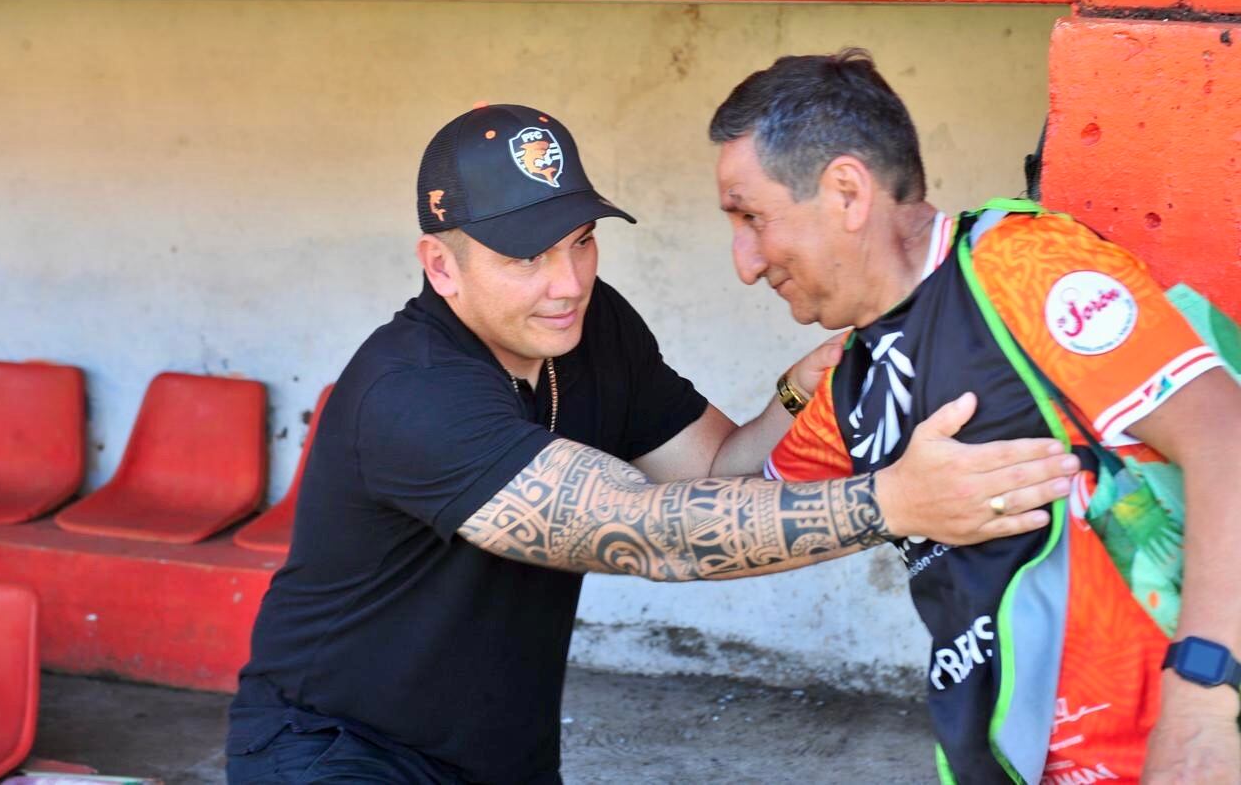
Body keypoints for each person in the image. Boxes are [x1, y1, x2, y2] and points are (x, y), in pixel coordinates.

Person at [225, 103, 1080, 784]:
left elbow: (712, 469)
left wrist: (803, 386)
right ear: (442, 268)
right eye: (526, 258)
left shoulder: (591, 330)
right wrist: (892, 502)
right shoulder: (410, 392)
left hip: (496, 756)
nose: (568, 284)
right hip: (335, 752)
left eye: (582, 242)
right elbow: (648, 532)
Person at [710, 51, 1241, 783]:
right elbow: (727, 499)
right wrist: (796, 390)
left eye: (751, 217)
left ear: (845, 192)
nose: (744, 261)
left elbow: (1230, 442)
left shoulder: (1017, 268)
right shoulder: (856, 379)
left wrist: (1203, 710)